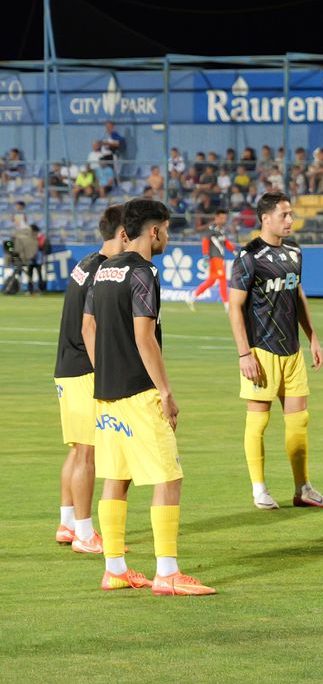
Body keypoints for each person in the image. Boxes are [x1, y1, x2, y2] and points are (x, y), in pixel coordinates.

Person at [83, 198, 214, 596]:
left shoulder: (103, 270)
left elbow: (88, 328)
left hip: (106, 393)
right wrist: (166, 391)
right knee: (168, 476)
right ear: (154, 230)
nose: (167, 237)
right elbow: (144, 337)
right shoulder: (143, 272)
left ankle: (115, 569)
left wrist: (107, 370)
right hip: (140, 393)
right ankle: (167, 572)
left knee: (117, 477)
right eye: (167, 230)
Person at [229, 193, 323, 511]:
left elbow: (297, 294)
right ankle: (259, 489)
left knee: (299, 420)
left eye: (291, 214)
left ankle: (303, 488)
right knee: (258, 421)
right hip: (261, 351)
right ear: (266, 218)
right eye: (284, 215)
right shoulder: (249, 256)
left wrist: (312, 337)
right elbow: (235, 307)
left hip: (292, 351)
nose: (290, 220)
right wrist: (244, 354)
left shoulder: (294, 251)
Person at [53, 206, 126, 553]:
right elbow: (90, 326)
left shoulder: (86, 263)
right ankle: (85, 533)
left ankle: (68, 523)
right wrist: (104, 372)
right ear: (124, 233)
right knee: (87, 453)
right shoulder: (104, 271)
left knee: (77, 450)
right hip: (85, 369)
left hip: (67, 366)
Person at [186, 209, 236, 312]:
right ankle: (226, 304)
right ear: (216, 217)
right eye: (221, 218)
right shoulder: (211, 229)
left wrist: (234, 251)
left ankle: (192, 296)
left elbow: (226, 242)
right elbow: (205, 242)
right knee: (222, 278)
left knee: (211, 281)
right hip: (214, 258)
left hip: (220, 258)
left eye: (225, 218)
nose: (223, 220)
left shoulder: (222, 230)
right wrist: (205, 256)